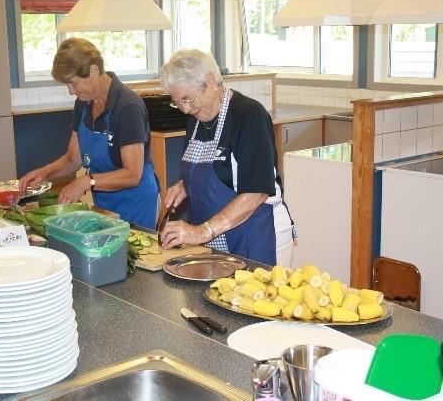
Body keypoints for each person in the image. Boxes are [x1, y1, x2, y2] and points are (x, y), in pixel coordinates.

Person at [158, 49, 295, 266]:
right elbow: (220, 171)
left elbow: (256, 192)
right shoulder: (196, 118)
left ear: (211, 81)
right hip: (216, 239)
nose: (185, 109)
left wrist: (203, 232)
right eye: (178, 103)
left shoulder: (249, 115)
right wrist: (185, 185)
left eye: (187, 99)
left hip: (256, 234)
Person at [19, 38, 159, 229]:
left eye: (73, 83)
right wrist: (44, 173)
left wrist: (88, 181)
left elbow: (132, 174)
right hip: (105, 204)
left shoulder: (127, 107)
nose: (71, 91)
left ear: (93, 71)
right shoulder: (84, 103)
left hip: (136, 205)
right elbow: (73, 159)